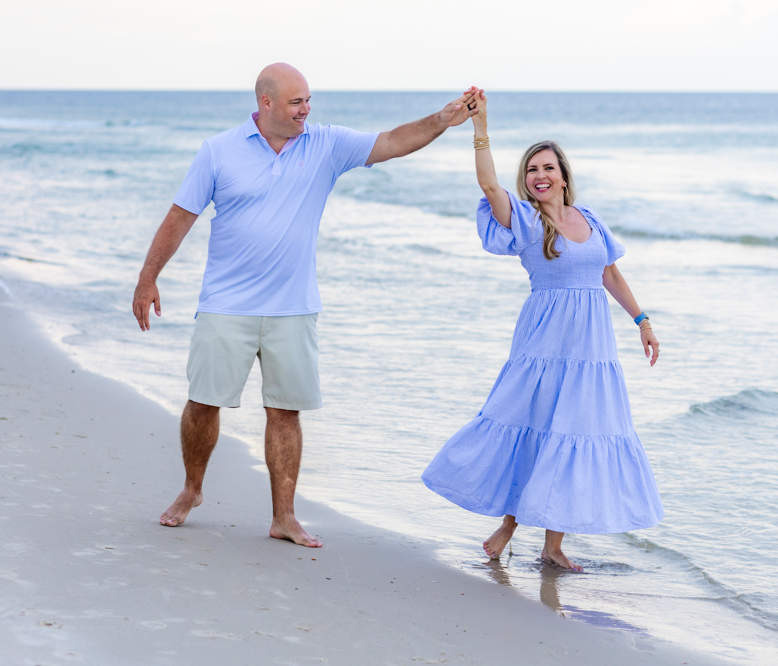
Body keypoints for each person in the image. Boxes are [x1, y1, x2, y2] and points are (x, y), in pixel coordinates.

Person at [132, 63, 477, 547]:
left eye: (309, 100)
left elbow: (393, 141)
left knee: (285, 412)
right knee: (204, 402)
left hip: (293, 308)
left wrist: (442, 119)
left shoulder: (325, 145)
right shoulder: (219, 151)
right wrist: (148, 278)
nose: (306, 110)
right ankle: (191, 489)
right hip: (226, 304)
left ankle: (284, 517)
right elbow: (180, 216)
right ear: (266, 103)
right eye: (297, 102)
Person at [422, 91, 664, 571]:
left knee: (572, 436)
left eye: (548, 168)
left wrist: (642, 322)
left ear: (564, 175)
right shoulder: (527, 221)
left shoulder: (590, 219)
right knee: (533, 432)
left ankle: (553, 545)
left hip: (591, 351)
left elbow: (609, 274)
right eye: (532, 170)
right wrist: (479, 127)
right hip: (544, 346)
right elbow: (490, 186)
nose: (540, 176)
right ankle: (509, 526)